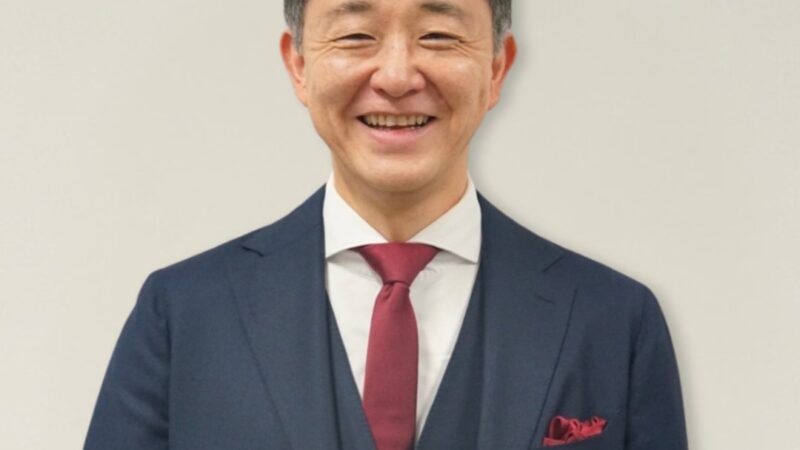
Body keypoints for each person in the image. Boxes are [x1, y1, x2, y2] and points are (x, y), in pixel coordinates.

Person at [84, 1, 688, 449]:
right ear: (298, 65)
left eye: (438, 35)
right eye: (356, 35)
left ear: (497, 69)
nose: (397, 76)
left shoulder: (614, 322)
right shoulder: (183, 315)